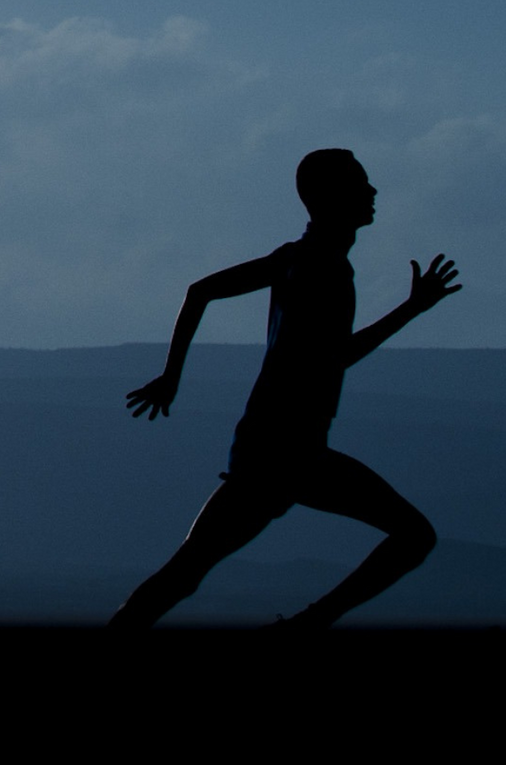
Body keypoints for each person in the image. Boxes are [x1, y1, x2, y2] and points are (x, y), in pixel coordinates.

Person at [111, 148, 460, 629]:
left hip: (269, 447)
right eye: (361, 183)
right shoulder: (323, 269)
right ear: (329, 197)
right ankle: (307, 626)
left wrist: (172, 377)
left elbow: (200, 291)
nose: (373, 192)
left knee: (187, 571)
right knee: (414, 536)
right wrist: (411, 310)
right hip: (289, 452)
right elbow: (336, 358)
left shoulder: (296, 258)